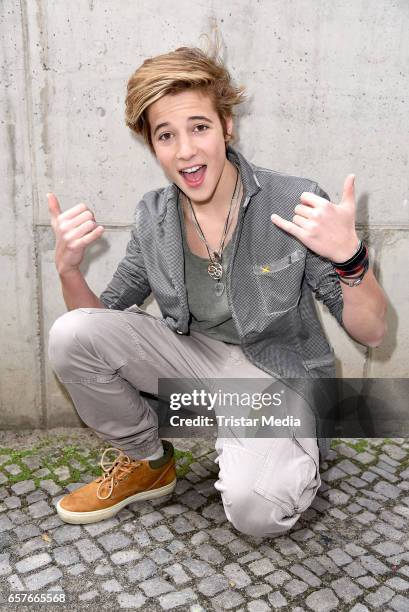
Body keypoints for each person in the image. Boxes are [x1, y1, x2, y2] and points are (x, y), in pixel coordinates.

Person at [47, 43, 387, 537]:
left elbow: (373, 333)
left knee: (257, 514)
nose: (185, 149)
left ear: (227, 126)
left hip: (275, 379)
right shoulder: (153, 215)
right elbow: (97, 327)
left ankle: (287, 449)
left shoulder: (292, 200)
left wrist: (350, 259)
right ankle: (149, 461)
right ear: (153, 146)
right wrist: (69, 269)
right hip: (192, 371)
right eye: (167, 135)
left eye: (199, 127)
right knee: (69, 333)